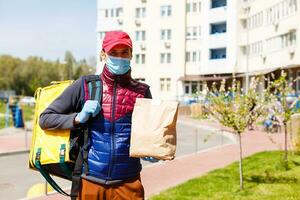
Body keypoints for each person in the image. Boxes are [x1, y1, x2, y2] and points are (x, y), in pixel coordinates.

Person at [39, 31, 152, 200]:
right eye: (113, 53)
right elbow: (45, 118)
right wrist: (78, 118)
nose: (119, 58)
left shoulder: (142, 91)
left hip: (128, 182)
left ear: (131, 55)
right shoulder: (85, 85)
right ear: (103, 55)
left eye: (124, 53)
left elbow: (150, 133)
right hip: (89, 181)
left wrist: (151, 149)